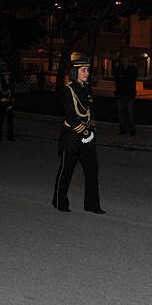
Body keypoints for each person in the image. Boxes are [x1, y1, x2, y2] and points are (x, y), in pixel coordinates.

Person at [52, 56, 105, 214]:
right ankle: (60, 201)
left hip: (87, 137)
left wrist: (92, 129)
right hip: (72, 136)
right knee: (66, 170)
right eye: (83, 70)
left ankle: (92, 205)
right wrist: (85, 131)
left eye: (88, 70)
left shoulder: (87, 88)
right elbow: (69, 114)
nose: (87, 73)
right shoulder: (68, 90)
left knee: (92, 171)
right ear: (75, 72)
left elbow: (91, 110)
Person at [114, 56, 138, 136]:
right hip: (120, 94)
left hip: (130, 95)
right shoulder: (118, 70)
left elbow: (132, 80)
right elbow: (117, 81)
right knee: (121, 113)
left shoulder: (133, 70)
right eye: (124, 61)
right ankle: (122, 129)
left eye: (126, 61)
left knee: (130, 113)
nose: (125, 62)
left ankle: (132, 130)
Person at [0, 65, 15, 141]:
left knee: (10, 121)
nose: (7, 77)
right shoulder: (1, 84)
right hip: (3, 105)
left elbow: (12, 92)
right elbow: (0, 95)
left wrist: (12, 99)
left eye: (8, 75)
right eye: (5, 75)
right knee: (0, 121)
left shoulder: (10, 83)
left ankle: (10, 136)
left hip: (9, 105)